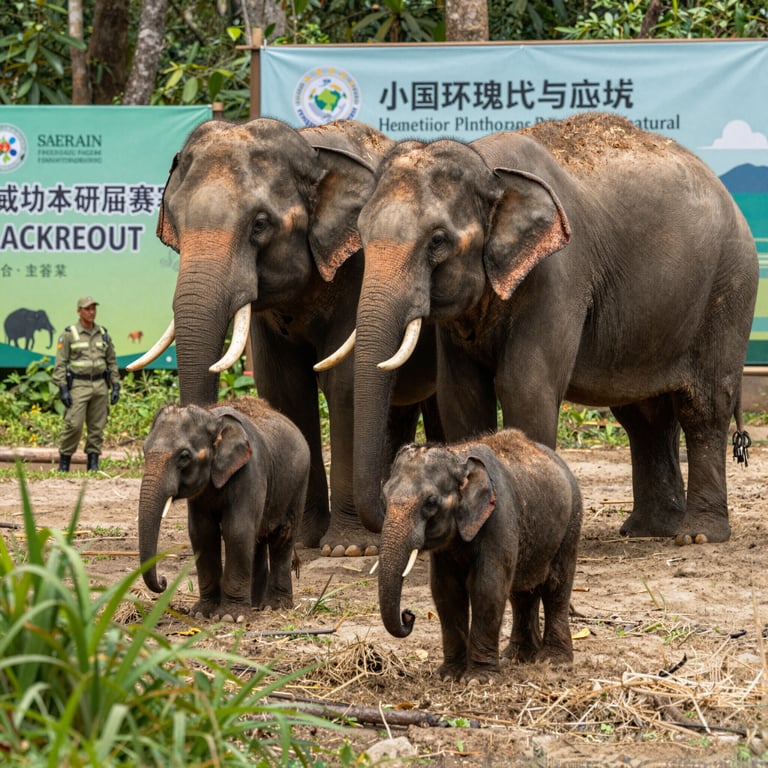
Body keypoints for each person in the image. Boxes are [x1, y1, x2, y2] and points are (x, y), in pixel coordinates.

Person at [52, 295, 120, 472]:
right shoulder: (69, 334)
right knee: (73, 425)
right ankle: (64, 463)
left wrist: (116, 384)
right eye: (87, 309)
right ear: (79, 311)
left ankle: (93, 464)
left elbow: (111, 361)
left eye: (93, 308)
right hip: (79, 386)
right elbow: (60, 363)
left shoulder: (103, 334)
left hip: (100, 385)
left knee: (97, 427)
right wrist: (63, 389)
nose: (91, 312)